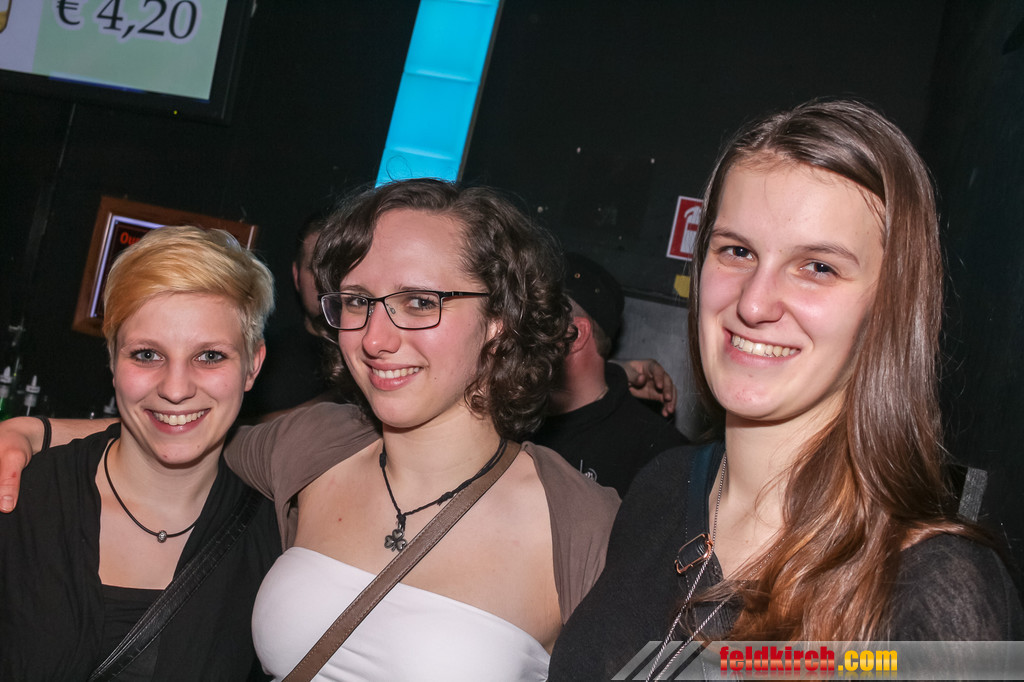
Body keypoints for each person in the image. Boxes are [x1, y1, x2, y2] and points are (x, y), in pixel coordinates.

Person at [0, 180, 621, 680]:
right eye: (358, 301)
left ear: (500, 317)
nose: (375, 338)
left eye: (418, 302)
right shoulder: (313, 445)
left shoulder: (583, 524)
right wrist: (31, 431)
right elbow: (181, 423)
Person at [548, 98, 1024, 680]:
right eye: (737, 251)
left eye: (818, 266)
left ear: (890, 306)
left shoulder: (932, 587)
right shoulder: (664, 488)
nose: (753, 303)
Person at [0, 226, 282, 680]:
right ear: (112, 359)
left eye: (210, 356)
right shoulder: (20, 500)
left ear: (252, 366)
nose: (176, 389)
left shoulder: (278, 538)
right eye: (147, 354)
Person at [531, 252, 689, 495]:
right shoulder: (514, 414)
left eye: (536, 319)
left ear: (576, 335)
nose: (518, 330)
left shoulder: (658, 453)